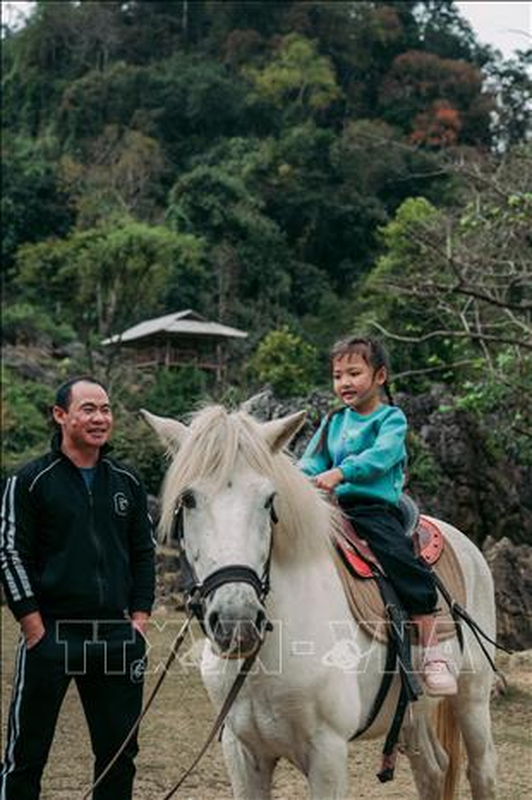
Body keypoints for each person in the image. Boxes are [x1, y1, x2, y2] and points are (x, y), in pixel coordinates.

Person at [0, 376, 156, 799]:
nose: (100, 418)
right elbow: (10, 554)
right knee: (26, 756)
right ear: (60, 415)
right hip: (52, 634)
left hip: (116, 638)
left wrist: (138, 621)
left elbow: (144, 553)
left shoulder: (127, 481)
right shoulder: (30, 480)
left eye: (105, 409)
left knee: (118, 757)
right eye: (88, 409)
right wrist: (34, 628)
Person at [299, 336, 457, 696]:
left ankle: (431, 653)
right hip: (330, 507)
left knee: (403, 563)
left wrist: (341, 473)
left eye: (354, 373)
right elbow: (313, 458)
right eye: (338, 375)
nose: (344, 383)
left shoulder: (391, 419)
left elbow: (382, 456)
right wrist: (300, 476)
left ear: (380, 375)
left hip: (373, 509)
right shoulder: (332, 421)